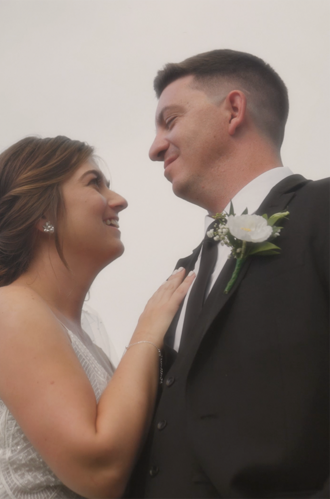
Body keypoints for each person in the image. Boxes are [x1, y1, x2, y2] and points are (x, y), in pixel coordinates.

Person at [0, 135, 196, 499]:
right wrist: (147, 333)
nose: (119, 200)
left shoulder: (81, 337)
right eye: (95, 183)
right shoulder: (8, 310)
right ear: (42, 214)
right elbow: (99, 471)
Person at [128, 49, 330, 498]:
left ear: (234, 110)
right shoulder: (180, 275)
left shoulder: (322, 209)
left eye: (171, 120)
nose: (155, 147)